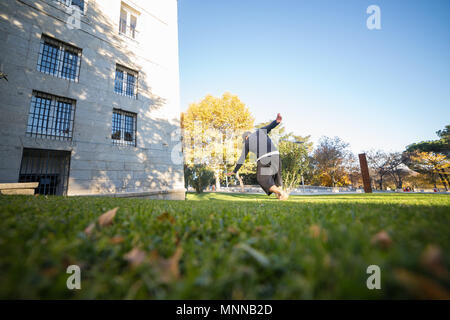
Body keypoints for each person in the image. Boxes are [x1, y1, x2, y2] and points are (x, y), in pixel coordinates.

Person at [227, 113, 288, 200]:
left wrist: (234, 171)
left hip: (264, 158)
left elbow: (241, 159)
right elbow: (269, 126)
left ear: (246, 138)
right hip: (276, 155)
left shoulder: (247, 142)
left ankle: (281, 193)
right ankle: (281, 197)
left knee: (262, 180)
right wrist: (277, 121)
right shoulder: (260, 131)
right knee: (277, 178)